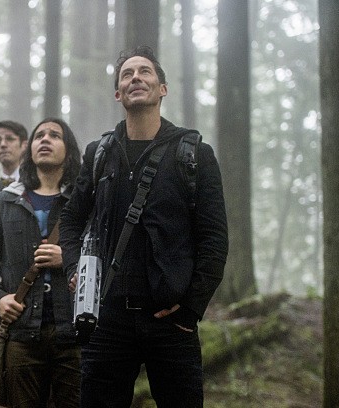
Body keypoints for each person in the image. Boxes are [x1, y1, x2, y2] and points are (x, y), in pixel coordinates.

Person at [59, 46, 228, 407]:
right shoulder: (99, 153)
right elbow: (71, 219)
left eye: (145, 71)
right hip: (106, 318)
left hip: (170, 320)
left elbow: (214, 238)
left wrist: (191, 309)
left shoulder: (194, 154)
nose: (136, 77)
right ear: (118, 94)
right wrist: (74, 268)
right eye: (127, 74)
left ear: (162, 89)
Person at [0, 117, 82, 408]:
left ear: (69, 150)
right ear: (29, 149)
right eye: (39, 135)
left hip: (74, 332)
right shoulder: (4, 202)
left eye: (55, 135)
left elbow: (104, 256)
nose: (45, 139)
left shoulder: (84, 202)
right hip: (21, 333)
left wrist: (68, 259)